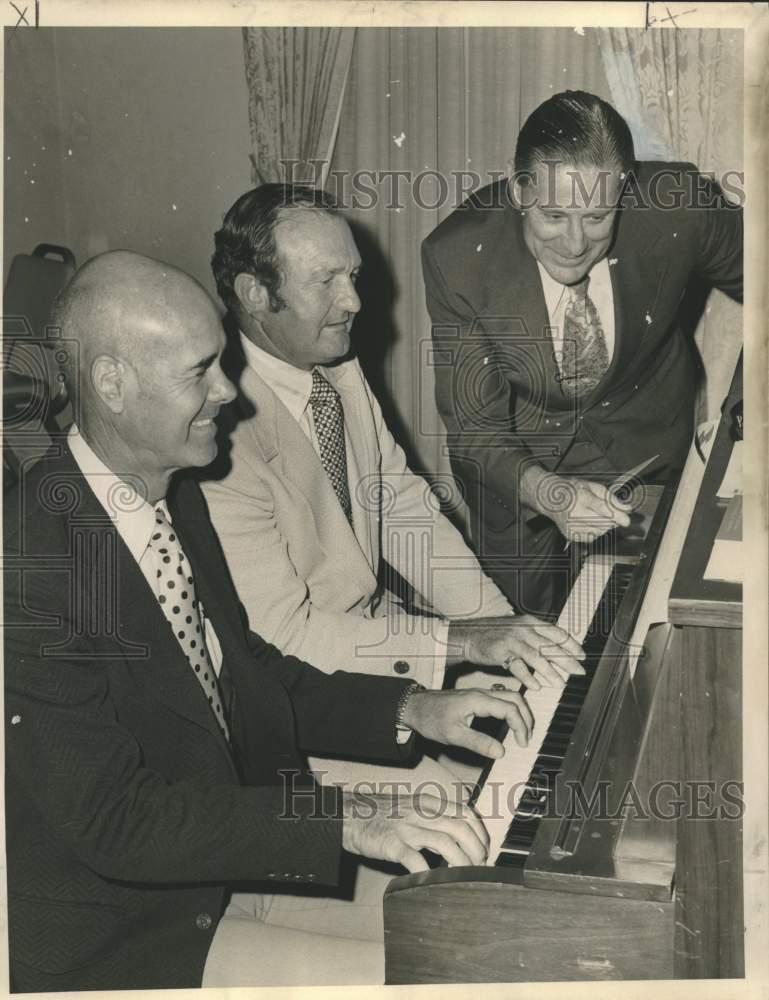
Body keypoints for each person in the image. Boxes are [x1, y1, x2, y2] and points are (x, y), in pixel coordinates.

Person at [4, 250, 541, 992]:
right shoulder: (29, 565)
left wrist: (416, 708)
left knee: (494, 933)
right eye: (200, 371)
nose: (229, 390)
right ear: (110, 384)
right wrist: (347, 820)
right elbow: (116, 823)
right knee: (453, 977)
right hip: (124, 938)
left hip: (225, 853)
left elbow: (249, 670)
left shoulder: (172, 490)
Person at [202, 184, 584, 793]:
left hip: (377, 645)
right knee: (465, 810)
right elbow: (288, 639)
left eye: (351, 274)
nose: (353, 300)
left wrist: (497, 627)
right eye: (325, 280)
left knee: (535, 739)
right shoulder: (214, 430)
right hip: (304, 698)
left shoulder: (333, 365)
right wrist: (458, 642)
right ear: (255, 294)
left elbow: (401, 504)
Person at [422, 90, 743, 615]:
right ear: (518, 186)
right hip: (517, 467)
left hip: (646, 444)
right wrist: (550, 494)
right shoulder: (458, 258)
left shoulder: (677, 203)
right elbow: (476, 431)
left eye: (597, 218)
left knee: (641, 619)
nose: (574, 243)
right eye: (553, 215)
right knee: (526, 640)